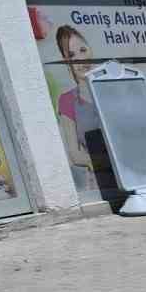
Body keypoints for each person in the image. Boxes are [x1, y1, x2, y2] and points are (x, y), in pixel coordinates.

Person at [53, 26, 102, 191]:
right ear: (66, 62)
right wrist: (110, 161)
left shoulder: (112, 89)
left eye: (82, 50)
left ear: (90, 50)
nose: (80, 60)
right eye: (72, 55)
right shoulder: (67, 101)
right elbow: (75, 155)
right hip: (100, 183)